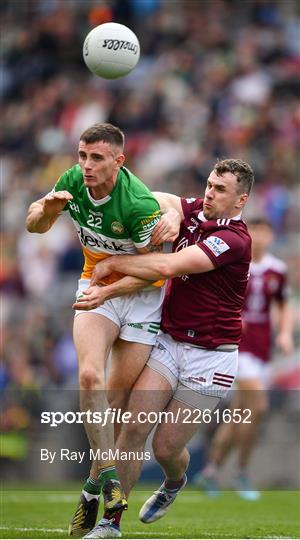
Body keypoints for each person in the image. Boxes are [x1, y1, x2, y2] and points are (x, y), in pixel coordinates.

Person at [83, 158, 254, 539]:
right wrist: (172, 213)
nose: (210, 193)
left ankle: (175, 481)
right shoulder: (195, 211)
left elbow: (168, 266)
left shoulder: (235, 240)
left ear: (240, 200)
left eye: (220, 189)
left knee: (165, 448)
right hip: (169, 343)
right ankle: (111, 524)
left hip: (211, 358)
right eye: (209, 184)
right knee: (132, 429)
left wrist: (115, 264)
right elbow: (152, 197)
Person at [25, 123, 179, 538]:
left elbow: (155, 274)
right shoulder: (72, 180)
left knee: (114, 401)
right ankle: (110, 476)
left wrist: (113, 280)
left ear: (118, 161)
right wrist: (49, 211)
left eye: (96, 158)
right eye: (82, 155)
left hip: (141, 298)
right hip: (95, 288)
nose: (86, 166)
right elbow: (33, 225)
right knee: (89, 374)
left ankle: (92, 488)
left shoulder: (138, 203)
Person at [193, 217, 294, 500]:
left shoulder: (277, 269)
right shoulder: (238, 263)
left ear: (271, 236)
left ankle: (210, 470)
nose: (260, 237)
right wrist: (233, 316)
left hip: (261, 348)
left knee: (240, 414)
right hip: (236, 345)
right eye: (256, 232)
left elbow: (283, 305)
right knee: (258, 406)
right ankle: (241, 472)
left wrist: (285, 333)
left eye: (265, 232)